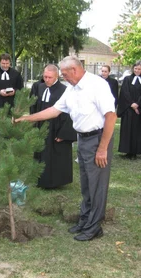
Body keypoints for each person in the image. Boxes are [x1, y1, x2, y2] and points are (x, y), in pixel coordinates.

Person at [15, 56, 117, 241]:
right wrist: (26, 118)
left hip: (97, 139)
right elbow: (54, 110)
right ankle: (85, 220)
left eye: (64, 74)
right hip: (83, 140)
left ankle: (94, 227)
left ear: (75, 70)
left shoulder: (97, 85)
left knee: (97, 186)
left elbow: (111, 116)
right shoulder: (72, 88)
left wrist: (102, 148)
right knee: (86, 185)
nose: (63, 78)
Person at [30, 64, 77, 188]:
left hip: (56, 128)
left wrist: (64, 133)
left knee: (55, 155)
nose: (46, 79)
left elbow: (69, 113)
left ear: (56, 76)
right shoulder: (39, 87)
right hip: (41, 126)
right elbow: (35, 108)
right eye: (45, 76)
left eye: (50, 77)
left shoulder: (64, 90)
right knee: (41, 153)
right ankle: (40, 179)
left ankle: (55, 182)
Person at [0, 53, 23, 132]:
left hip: (11, 103)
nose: (5, 65)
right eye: (3, 63)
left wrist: (14, 91)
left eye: (7, 63)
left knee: (10, 125)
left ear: (10, 63)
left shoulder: (16, 74)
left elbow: (21, 88)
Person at [117, 61, 141, 160]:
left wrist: (138, 104)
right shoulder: (127, 79)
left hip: (139, 110)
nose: (137, 70)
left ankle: (136, 152)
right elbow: (124, 92)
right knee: (128, 131)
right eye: (135, 68)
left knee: (137, 131)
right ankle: (128, 152)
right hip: (128, 109)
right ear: (133, 69)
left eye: (139, 69)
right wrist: (132, 104)